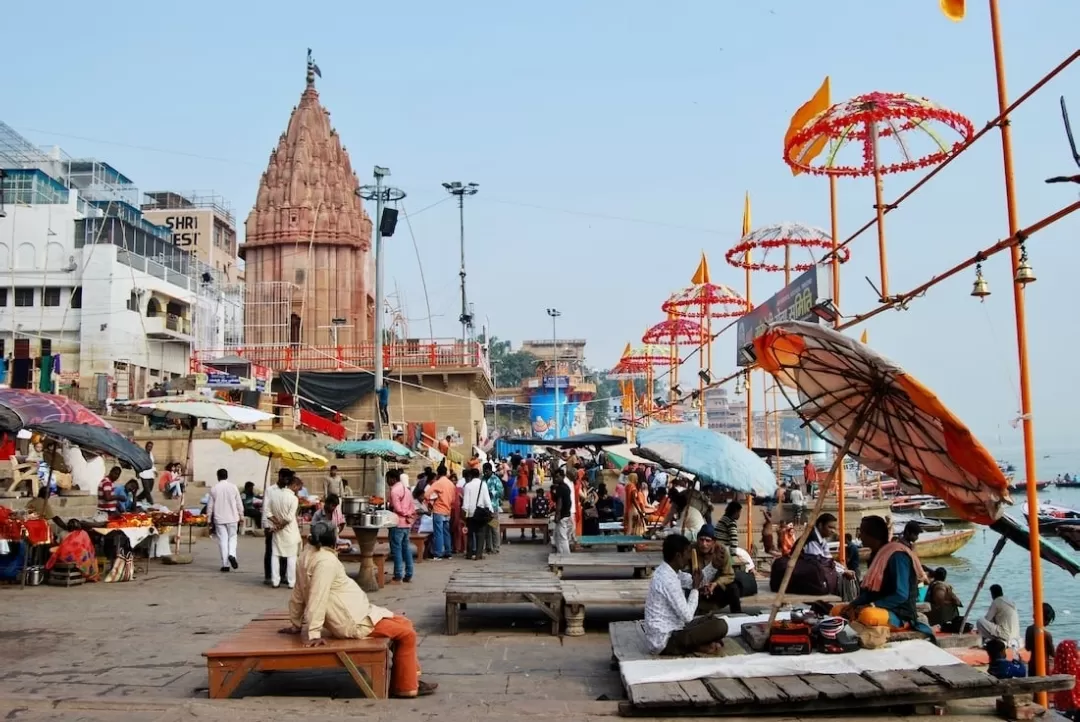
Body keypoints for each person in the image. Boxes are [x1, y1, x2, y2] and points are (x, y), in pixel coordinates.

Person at [279, 520, 437, 698]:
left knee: (404, 622)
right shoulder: (325, 561)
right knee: (407, 634)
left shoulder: (306, 555)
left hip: (355, 613)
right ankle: (405, 687)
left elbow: (298, 592)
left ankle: (410, 678)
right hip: (354, 621)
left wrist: (296, 622)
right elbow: (317, 597)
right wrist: (313, 633)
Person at [839, 515, 933, 637]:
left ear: (871, 534)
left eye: (861, 532)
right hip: (879, 608)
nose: (859, 536)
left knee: (868, 615)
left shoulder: (897, 556)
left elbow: (901, 594)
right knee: (839, 611)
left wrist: (873, 605)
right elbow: (874, 591)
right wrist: (853, 604)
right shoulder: (877, 555)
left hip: (899, 614)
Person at [643, 534, 729, 655]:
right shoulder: (667, 580)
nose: (689, 557)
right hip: (665, 640)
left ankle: (701, 644)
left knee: (711, 619)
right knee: (720, 626)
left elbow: (696, 580)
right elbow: (688, 616)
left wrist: (713, 565)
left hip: (677, 627)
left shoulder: (670, 571)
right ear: (678, 556)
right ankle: (696, 646)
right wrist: (695, 589)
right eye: (687, 552)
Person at [695, 525, 741, 614]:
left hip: (715, 588)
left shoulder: (721, 551)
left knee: (733, 588)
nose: (704, 544)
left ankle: (737, 616)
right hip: (696, 587)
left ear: (714, 542)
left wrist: (716, 583)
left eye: (708, 541)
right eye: (701, 540)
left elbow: (729, 575)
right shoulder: (692, 550)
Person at [268, 474, 302, 588]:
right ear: (294, 486)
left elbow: (268, 513)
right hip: (289, 531)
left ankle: (275, 580)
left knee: (276, 555)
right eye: (299, 487)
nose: (299, 490)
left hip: (278, 531)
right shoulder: (293, 498)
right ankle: (291, 582)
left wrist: (276, 524)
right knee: (291, 556)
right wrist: (280, 525)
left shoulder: (274, 494)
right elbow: (288, 518)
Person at [207, 468, 243, 573]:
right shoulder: (233, 487)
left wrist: (209, 519)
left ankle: (225, 564)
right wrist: (241, 515)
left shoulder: (214, 488)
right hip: (232, 518)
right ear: (227, 476)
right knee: (233, 537)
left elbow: (210, 506)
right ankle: (232, 554)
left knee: (223, 540)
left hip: (219, 519)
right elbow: (239, 503)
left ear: (218, 476)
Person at [262, 469, 291, 585]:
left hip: (284, 526)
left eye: (289, 479)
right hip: (271, 525)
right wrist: (266, 526)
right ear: (280, 476)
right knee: (270, 551)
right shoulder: (270, 490)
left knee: (284, 551)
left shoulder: (288, 491)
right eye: (286, 478)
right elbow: (265, 509)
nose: (287, 481)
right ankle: (268, 576)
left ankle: (282, 575)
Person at [386, 469, 415, 583]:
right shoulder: (406, 490)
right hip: (407, 524)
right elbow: (412, 506)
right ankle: (409, 573)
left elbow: (398, 509)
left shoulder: (394, 491)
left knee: (397, 549)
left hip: (398, 523)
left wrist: (403, 513)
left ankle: (398, 574)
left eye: (387, 479)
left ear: (392, 479)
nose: (387, 481)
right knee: (406, 548)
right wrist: (409, 515)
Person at [462, 468, 494, 560]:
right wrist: (490, 510)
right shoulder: (483, 484)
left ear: (471, 475)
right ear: (479, 475)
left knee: (470, 534)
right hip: (480, 513)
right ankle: (478, 554)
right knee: (480, 534)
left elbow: (465, 503)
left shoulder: (467, 486)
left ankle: (469, 554)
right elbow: (487, 499)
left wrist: (465, 514)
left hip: (471, 514)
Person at [426, 465, 455, 560]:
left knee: (438, 532)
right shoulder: (451, 484)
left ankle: (438, 553)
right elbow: (453, 499)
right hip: (448, 510)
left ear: (438, 473)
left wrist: (431, 501)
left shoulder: (438, 483)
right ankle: (448, 552)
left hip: (438, 510)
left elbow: (426, 494)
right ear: (446, 473)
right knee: (446, 532)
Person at [1025, 602, 1056, 673]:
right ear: (1046, 620)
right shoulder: (1047, 635)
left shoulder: (1029, 629)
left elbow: (1027, 648)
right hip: (1043, 665)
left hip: (1032, 664)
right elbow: (1053, 653)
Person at [482, 462, 503, 555]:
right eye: (484, 471)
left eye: (487, 471)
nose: (485, 473)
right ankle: (488, 547)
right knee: (486, 528)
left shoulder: (496, 480)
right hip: (484, 508)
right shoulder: (482, 480)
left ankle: (496, 547)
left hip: (493, 507)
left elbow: (501, 492)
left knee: (494, 527)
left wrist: (492, 493)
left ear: (490, 470)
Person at [552, 471, 574, 555]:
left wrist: (557, 515)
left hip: (562, 515)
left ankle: (566, 555)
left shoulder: (561, 488)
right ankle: (560, 552)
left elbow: (559, 503)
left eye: (557, 477)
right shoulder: (565, 487)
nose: (556, 479)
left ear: (562, 476)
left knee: (562, 537)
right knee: (557, 536)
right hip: (566, 514)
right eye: (555, 477)